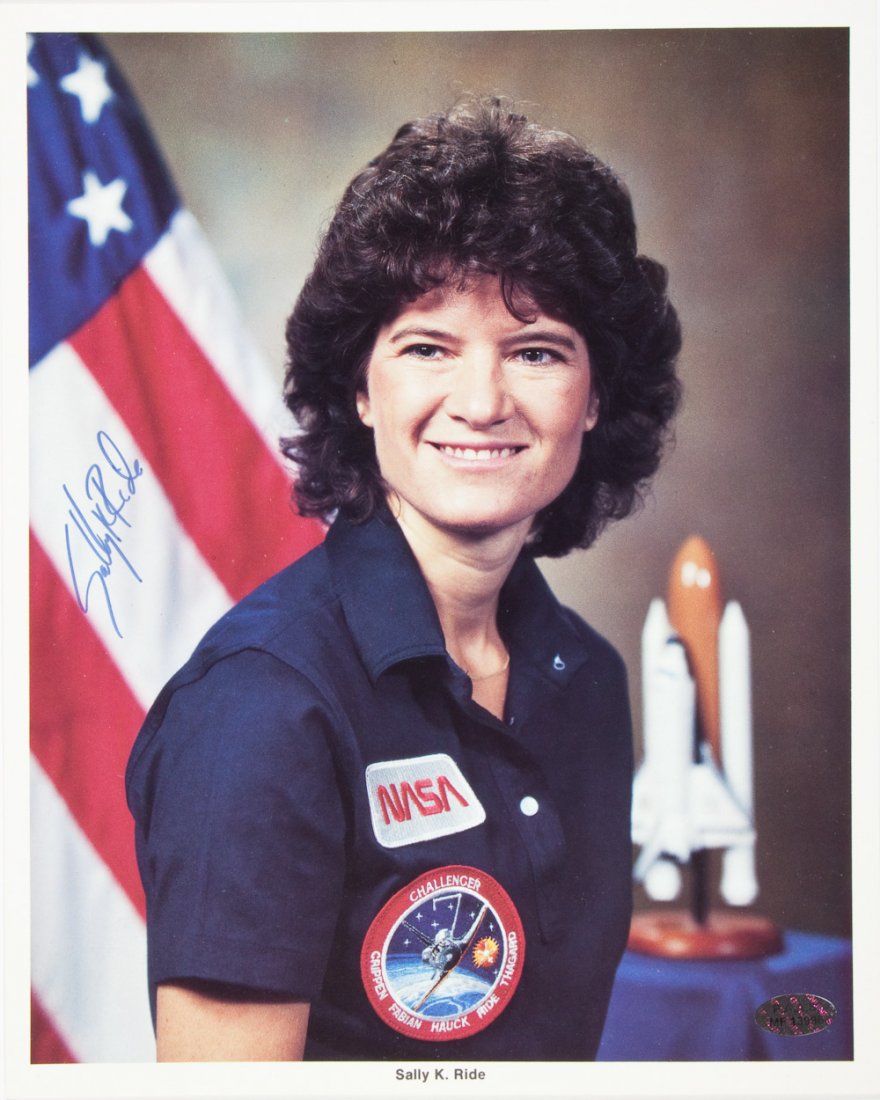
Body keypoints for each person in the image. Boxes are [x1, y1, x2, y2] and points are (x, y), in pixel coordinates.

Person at [125, 95, 681, 1062]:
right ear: (358, 384)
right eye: (428, 347)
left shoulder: (584, 679)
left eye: (537, 350)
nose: (481, 401)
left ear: (595, 400)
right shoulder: (264, 706)